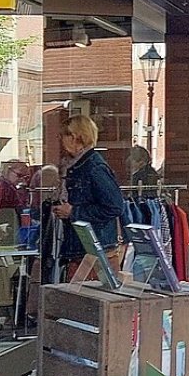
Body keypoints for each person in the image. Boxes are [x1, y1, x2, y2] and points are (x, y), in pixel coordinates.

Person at [52, 115, 125, 271]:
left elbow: (115, 207)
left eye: (64, 135)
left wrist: (73, 212)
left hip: (95, 252)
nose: (60, 140)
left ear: (75, 137)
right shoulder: (75, 166)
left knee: (90, 294)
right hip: (83, 250)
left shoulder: (94, 167)